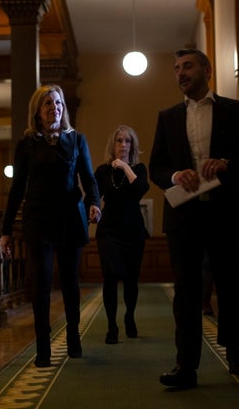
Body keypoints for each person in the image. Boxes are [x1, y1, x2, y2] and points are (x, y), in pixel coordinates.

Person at [149, 48, 239, 389]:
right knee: (186, 291)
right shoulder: (167, 116)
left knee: (229, 285)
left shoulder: (234, 110)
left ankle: (233, 350)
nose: (180, 73)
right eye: (176, 68)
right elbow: (157, 166)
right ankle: (186, 366)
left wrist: (227, 163)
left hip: (223, 212)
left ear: (206, 70)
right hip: (183, 216)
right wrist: (174, 176)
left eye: (187, 66)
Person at [0, 84, 101, 368]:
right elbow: (17, 189)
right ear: (38, 111)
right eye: (47, 104)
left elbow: (88, 178)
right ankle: (43, 347)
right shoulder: (27, 144)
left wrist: (94, 203)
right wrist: (5, 231)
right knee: (41, 282)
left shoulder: (77, 139)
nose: (54, 108)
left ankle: (73, 337)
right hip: (38, 220)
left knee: (70, 283)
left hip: (71, 218)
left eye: (58, 103)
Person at [94, 125, 150, 344]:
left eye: (128, 141)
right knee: (109, 277)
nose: (123, 145)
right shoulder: (102, 171)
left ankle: (129, 316)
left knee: (131, 280)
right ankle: (111, 326)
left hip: (133, 231)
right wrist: (93, 207)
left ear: (132, 146)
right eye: (119, 141)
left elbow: (141, 190)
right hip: (108, 230)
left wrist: (126, 168)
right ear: (113, 144)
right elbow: (93, 196)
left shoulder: (139, 168)